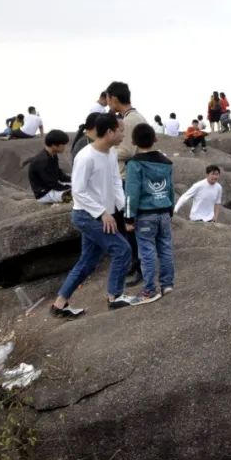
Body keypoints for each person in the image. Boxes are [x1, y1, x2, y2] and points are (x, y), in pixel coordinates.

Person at [49, 113, 153, 317]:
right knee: (122, 250)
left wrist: (126, 211)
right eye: (121, 130)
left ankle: (59, 304)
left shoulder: (111, 153)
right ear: (109, 132)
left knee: (87, 261)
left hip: (104, 214)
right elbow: (78, 191)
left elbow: (115, 183)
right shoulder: (86, 157)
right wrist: (102, 213)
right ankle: (115, 297)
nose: (124, 133)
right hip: (87, 215)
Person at [124, 123, 175, 301]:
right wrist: (171, 209)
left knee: (146, 252)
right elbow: (170, 188)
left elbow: (132, 193)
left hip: (145, 214)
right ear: (155, 138)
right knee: (166, 248)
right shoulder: (166, 162)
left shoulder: (134, 164)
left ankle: (149, 290)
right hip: (164, 212)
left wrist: (129, 218)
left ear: (133, 141)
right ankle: (167, 284)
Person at [106, 81, 147, 287]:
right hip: (127, 176)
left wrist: (105, 150)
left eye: (109, 99)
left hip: (128, 178)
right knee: (126, 224)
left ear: (114, 98)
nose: (108, 104)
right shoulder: (131, 117)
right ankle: (133, 263)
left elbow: (129, 151)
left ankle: (138, 266)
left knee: (130, 224)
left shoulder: (130, 120)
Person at [28, 130, 73, 204]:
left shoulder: (52, 155)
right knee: (76, 195)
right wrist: (70, 188)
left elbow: (60, 175)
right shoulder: (43, 161)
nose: (65, 147)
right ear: (54, 145)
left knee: (80, 186)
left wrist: (74, 180)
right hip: (45, 194)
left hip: (53, 187)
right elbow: (51, 184)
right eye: (63, 144)